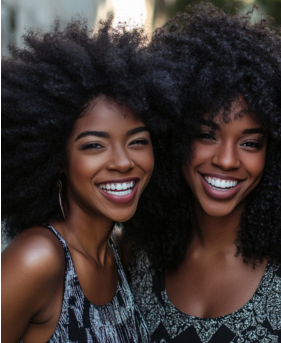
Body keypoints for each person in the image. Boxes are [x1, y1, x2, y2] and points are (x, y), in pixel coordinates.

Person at [124, 4, 281, 342]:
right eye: (206, 135)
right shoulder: (137, 253)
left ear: (276, 153)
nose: (227, 160)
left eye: (250, 143)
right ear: (172, 137)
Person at [0, 17, 177, 342]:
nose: (123, 162)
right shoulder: (38, 259)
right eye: (94, 145)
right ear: (57, 159)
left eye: (138, 141)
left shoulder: (118, 253)